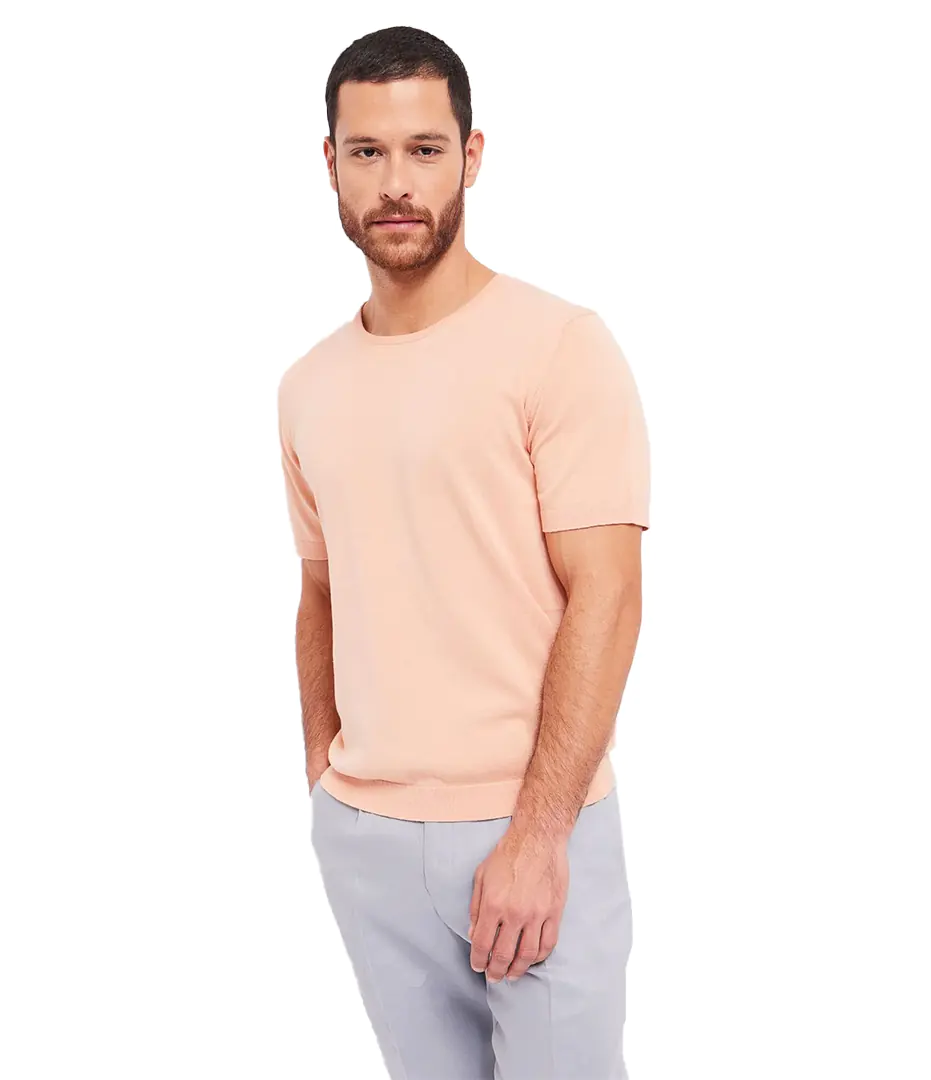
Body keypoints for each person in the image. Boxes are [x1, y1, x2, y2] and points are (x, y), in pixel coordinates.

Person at [277, 24, 650, 1080]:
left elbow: (609, 596)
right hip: (368, 836)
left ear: (471, 157)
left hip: (532, 827)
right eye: (368, 151)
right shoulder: (307, 385)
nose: (396, 182)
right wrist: (326, 781)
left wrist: (538, 837)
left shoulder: (558, 346)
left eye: (425, 150)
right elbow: (321, 588)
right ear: (331, 163)